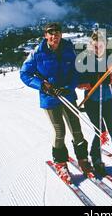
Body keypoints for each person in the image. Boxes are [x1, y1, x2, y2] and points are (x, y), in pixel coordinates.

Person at [20, 22, 92, 182]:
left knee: (77, 130)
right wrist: (43, 86)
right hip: (49, 99)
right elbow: (24, 74)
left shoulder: (68, 50)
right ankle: (60, 163)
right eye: (50, 33)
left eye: (57, 33)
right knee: (60, 132)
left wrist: (69, 87)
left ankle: (83, 160)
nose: (54, 36)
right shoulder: (37, 53)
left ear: (61, 35)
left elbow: (75, 71)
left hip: (68, 96)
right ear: (45, 35)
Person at [77, 31, 112, 176]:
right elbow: (79, 82)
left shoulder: (110, 60)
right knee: (101, 130)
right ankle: (96, 157)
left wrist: (111, 80)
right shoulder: (85, 61)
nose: (98, 48)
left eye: (101, 45)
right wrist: (88, 83)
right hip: (92, 101)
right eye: (95, 46)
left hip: (107, 99)